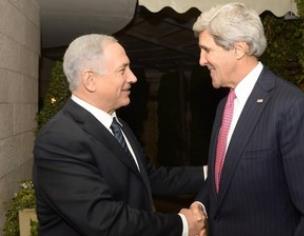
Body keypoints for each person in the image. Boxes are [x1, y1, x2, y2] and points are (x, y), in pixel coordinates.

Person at [33, 34, 207, 236]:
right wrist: (183, 225)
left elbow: (148, 177)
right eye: (122, 70)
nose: (133, 77)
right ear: (90, 80)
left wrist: (209, 172)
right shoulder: (59, 138)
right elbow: (105, 221)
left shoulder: (118, 124)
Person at [192, 2, 304, 235]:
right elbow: (224, 177)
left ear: (238, 49)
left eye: (207, 50)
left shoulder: (293, 108)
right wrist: (201, 204)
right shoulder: (224, 106)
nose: (201, 60)